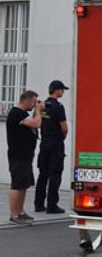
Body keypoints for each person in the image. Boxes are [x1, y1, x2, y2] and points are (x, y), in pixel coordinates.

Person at [7, 90, 42, 225]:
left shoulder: (23, 114)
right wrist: (38, 111)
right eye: (34, 102)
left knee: (23, 184)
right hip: (18, 155)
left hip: (26, 155)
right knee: (16, 184)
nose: (34, 106)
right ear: (27, 100)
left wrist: (36, 112)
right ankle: (14, 214)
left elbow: (34, 122)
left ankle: (20, 211)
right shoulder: (16, 113)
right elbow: (36, 123)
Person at [34, 80, 69, 214]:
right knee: (55, 174)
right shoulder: (58, 107)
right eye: (62, 90)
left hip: (44, 142)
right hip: (56, 143)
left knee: (43, 174)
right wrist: (62, 138)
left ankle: (38, 204)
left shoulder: (42, 105)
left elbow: (37, 121)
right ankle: (52, 205)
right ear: (57, 90)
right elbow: (64, 128)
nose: (63, 92)